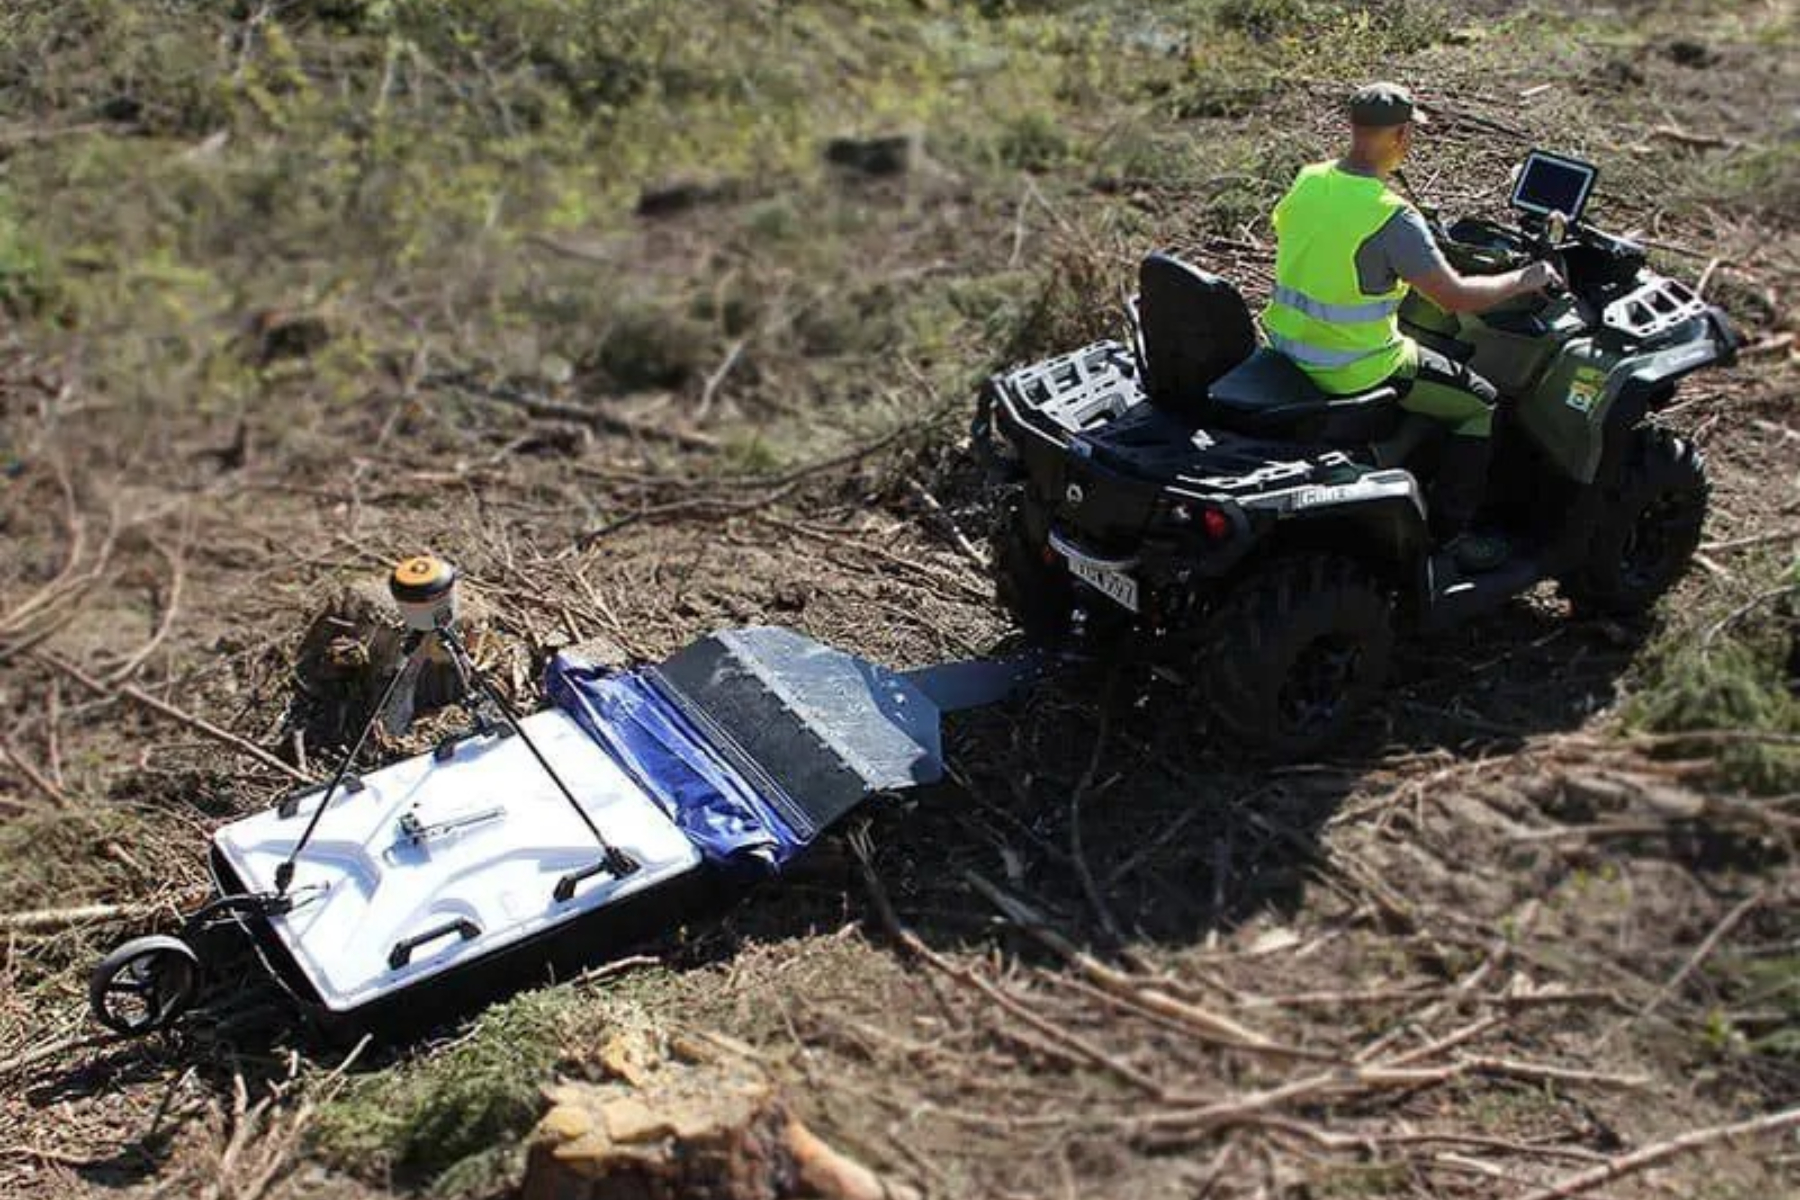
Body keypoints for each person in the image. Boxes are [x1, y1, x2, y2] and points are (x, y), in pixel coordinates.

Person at [1262, 81, 1561, 573]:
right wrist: (1525, 278)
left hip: (1287, 351)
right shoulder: (1392, 217)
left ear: (1353, 128)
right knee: (1481, 402)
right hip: (1357, 369)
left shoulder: (1308, 180)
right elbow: (1456, 296)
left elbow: (1313, 244)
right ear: (1401, 136)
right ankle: (1451, 537)